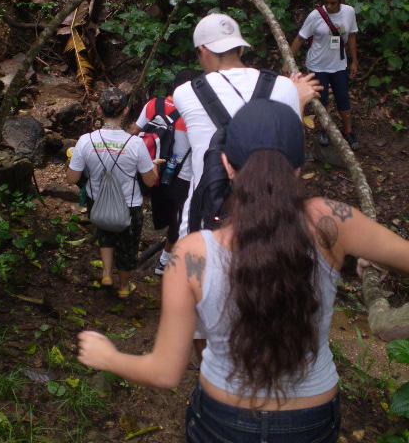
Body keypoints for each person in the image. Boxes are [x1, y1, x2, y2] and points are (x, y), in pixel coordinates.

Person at [77, 99, 409, 443]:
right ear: (299, 168)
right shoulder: (333, 221)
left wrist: (109, 357)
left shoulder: (192, 253)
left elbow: (164, 373)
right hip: (311, 419)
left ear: (226, 165)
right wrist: (372, 257)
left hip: (223, 420)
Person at [172, 12, 321, 241]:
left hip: (206, 220)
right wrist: (297, 99)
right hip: (269, 216)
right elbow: (291, 146)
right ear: (241, 49)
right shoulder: (284, 87)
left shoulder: (184, 93)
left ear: (202, 51)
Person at [67, 88, 159, 299]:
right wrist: (154, 166)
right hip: (129, 207)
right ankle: (124, 287)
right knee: (127, 248)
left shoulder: (86, 141)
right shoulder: (136, 144)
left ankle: (107, 274)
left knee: (105, 234)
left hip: (97, 202)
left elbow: (72, 178)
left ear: (99, 110)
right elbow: (149, 181)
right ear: (125, 111)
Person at [131, 69, 197, 276]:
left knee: (137, 207)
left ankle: (127, 251)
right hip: (180, 175)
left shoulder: (153, 104)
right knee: (178, 218)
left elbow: (135, 132)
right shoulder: (194, 114)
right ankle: (164, 262)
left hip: (149, 168)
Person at [289, 0, 359, 149]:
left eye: (333, 3)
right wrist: (287, 60)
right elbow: (300, 38)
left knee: (343, 98)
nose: (329, 6)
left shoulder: (349, 12)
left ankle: (348, 131)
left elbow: (351, 36)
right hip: (317, 65)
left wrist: (354, 61)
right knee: (322, 100)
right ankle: (324, 130)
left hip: (339, 64)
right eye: (326, 2)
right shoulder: (315, 15)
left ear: (341, 0)